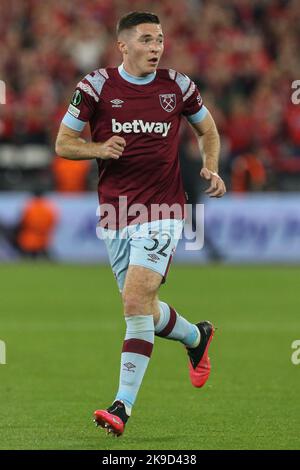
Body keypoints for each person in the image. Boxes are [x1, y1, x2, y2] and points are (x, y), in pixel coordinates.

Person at [55, 11, 226, 437]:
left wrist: (211, 166)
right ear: (123, 45)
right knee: (144, 308)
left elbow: (208, 132)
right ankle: (195, 336)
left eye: (160, 40)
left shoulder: (178, 87)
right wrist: (98, 149)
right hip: (116, 212)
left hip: (164, 210)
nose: (156, 48)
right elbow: (64, 143)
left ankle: (122, 406)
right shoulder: (95, 87)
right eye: (147, 40)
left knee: (134, 303)